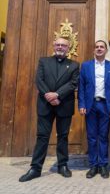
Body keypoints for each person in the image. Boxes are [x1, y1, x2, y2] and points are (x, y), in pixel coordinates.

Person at [19, 37, 79, 182]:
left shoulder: (74, 64)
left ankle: (62, 165)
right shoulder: (43, 61)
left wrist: (57, 94)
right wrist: (50, 96)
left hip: (64, 104)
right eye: (57, 44)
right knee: (42, 137)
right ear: (53, 46)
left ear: (68, 48)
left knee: (63, 136)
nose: (60, 47)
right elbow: (39, 80)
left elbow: (73, 83)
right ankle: (35, 168)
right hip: (45, 105)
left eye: (63, 45)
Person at [78, 40, 110, 179]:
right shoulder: (86, 66)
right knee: (92, 137)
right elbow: (81, 86)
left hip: (105, 105)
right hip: (91, 105)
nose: (99, 49)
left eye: (102, 47)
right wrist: (81, 104)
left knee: (103, 137)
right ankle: (93, 165)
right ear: (94, 50)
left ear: (106, 50)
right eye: (97, 47)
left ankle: (103, 165)